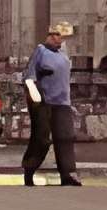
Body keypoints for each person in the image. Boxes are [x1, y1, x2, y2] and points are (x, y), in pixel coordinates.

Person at [21, 21, 81, 188]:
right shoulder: (41, 51)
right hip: (43, 102)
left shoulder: (63, 54)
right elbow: (28, 75)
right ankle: (30, 169)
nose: (58, 39)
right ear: (50, 35)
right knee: (41, 139)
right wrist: (33, 92)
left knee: (65, 138)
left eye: (61, 37)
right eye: (55, 35)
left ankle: (68, 174)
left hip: (62, 102)